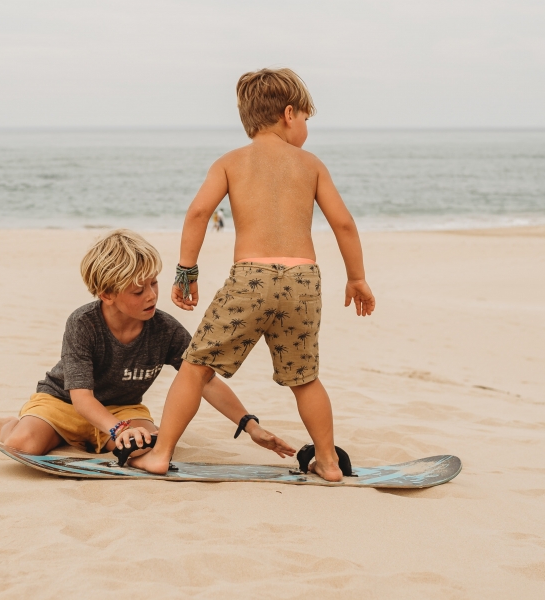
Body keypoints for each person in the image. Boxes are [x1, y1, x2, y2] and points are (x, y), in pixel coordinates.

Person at [131, 68, 376, 481]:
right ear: (288, 113)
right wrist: (356, 277)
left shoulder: (230, 163)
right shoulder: (311, 165)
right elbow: (344, 224)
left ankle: (160, 454)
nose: (306, 131)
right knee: (305, 378)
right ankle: (330, 462)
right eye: (306, 121)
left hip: (250, 280)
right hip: (302, 282)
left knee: (196, 367)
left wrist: (186, 269)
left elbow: (198, 213)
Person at [0, 229, 295, 460]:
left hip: (123, 410)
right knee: (22, 445)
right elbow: (81, 398)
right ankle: (3, 425)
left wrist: (251, 426)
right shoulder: (83, 324)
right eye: (138, 290)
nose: (151, 296)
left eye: (154, 284)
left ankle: (78, 438)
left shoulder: (165, 330)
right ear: (107, 295)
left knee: (153, 446)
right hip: (64, 403)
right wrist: (115, 430)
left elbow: (204, 380)